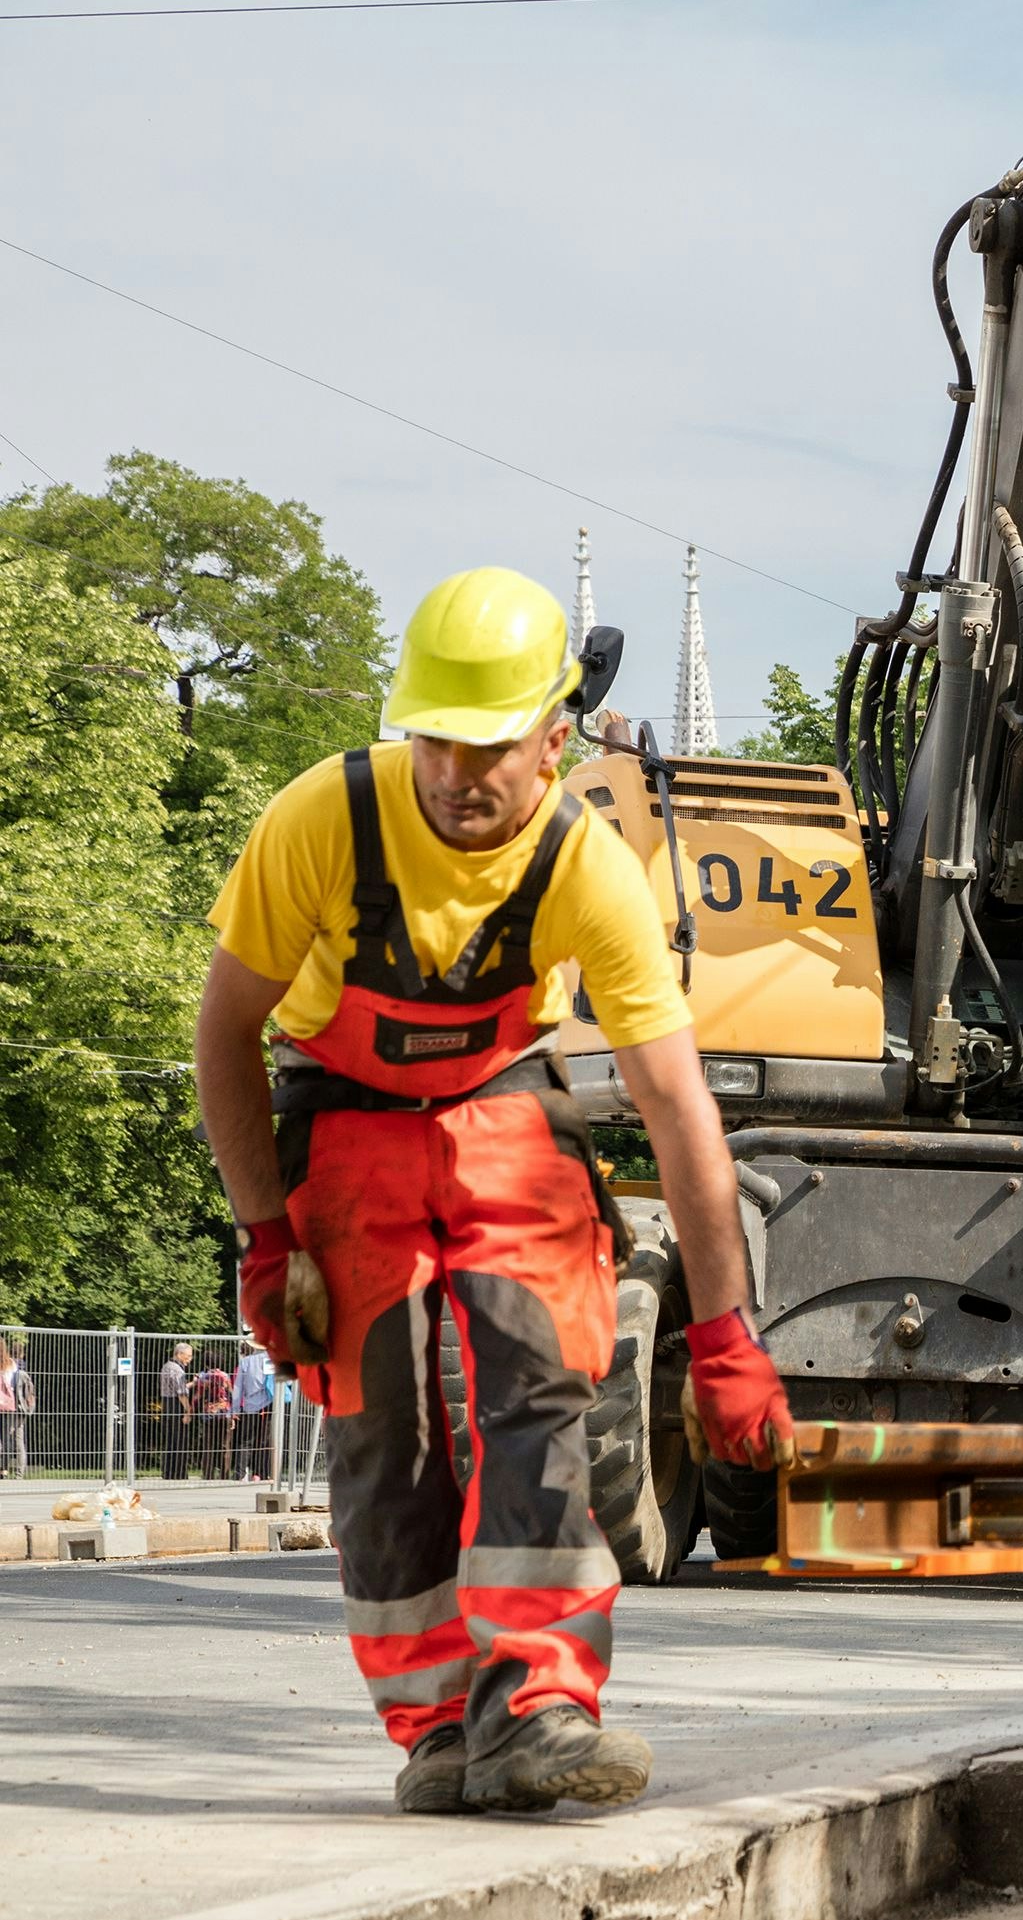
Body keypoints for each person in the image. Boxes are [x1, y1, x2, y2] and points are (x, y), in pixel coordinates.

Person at [195, 568, 796, 1817]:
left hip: (501, 1099)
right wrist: (265, 1239)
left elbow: (679, 1104)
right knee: (384, 1425)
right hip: (341, 1103)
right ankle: (436, 1733)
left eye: (491, 748)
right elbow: (225, 1033)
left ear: (554, 738)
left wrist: (728, 1329)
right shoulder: (321, 821)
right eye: (437, 743)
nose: (459, 775)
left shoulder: (591, 865)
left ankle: (536, 1706)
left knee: (540, 1383)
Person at [191, 1353, 237, 1480]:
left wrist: (191, 1410)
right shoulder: (225, 1376)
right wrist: (233, 1415)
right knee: (225, 1446)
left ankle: (208, 1474)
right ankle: (224, 1474)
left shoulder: (203, 1377)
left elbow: (197, 1397)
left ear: (206, 1363)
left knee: (208, 1445)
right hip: (224, 1413)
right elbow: (232, 1395)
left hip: (209, 1414)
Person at [235, 1341, 275, 1482]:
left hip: (249, 1406)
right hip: (268, 1406)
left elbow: (238, 1387)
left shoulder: (245, 1362)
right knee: (264, 1441)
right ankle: (260, 1473)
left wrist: (235, 1409)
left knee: (245, 1441)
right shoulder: (272, 1360)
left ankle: (239, 1474)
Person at [158, 1340, 194, 1480]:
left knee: (169, 1440)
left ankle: (168, 1472)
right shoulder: (177, 1370)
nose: (190, 1360)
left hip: (167, 1404)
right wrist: (188, 1411)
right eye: (188, 1356)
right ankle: (179, 1473)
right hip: (176, 1405)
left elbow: (178, 1387)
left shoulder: (167, 1366)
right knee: (180, 1441)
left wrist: (191, 1384)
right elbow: (181, 1393)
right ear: (179, 1354)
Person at [0, 1337, 30, 1478]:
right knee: (15, 1439)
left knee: (5, 1440)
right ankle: (16, 1473)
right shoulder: (12, 1364)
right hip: (12, 1406)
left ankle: (4, 1470)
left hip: (8, 1407)